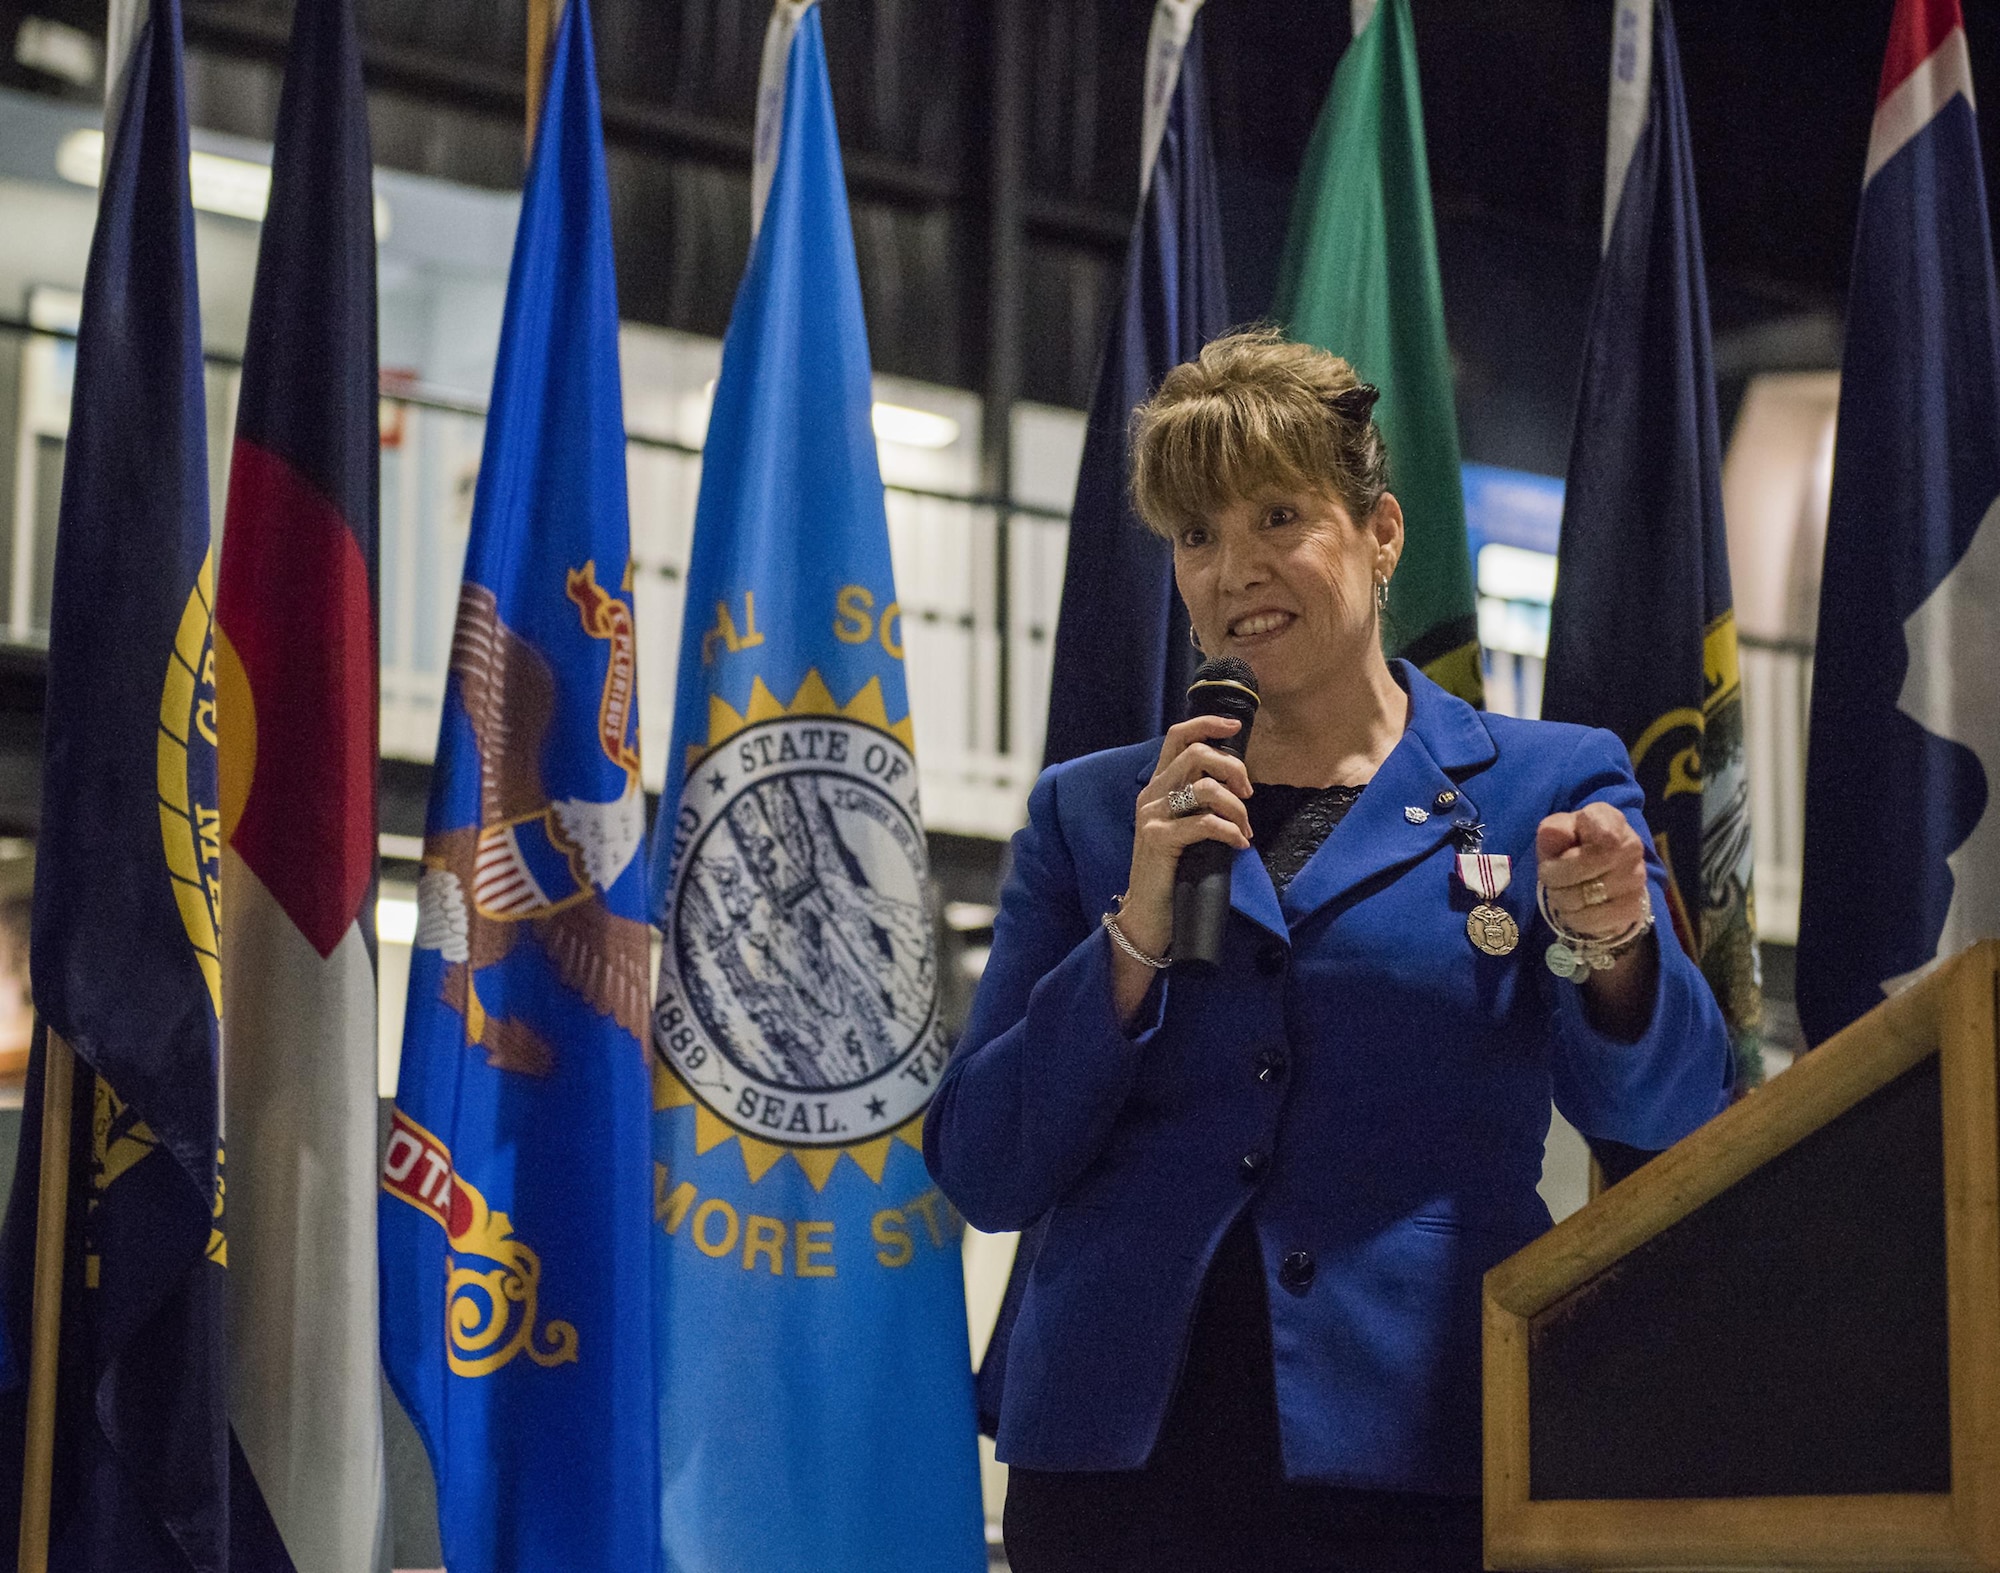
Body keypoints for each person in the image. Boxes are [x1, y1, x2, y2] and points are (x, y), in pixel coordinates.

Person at [924, 329, 1732, 1572]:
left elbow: (1663, 1106)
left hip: (1418, 1443)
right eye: (1196, 535)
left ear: (1381, 531)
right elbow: (984, 1167)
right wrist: (1134, 933)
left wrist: (1613, 938)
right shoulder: (1093, 815)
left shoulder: (1541, 785)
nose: (1234, 567)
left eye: (1277, 515)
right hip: (1112, 1457)